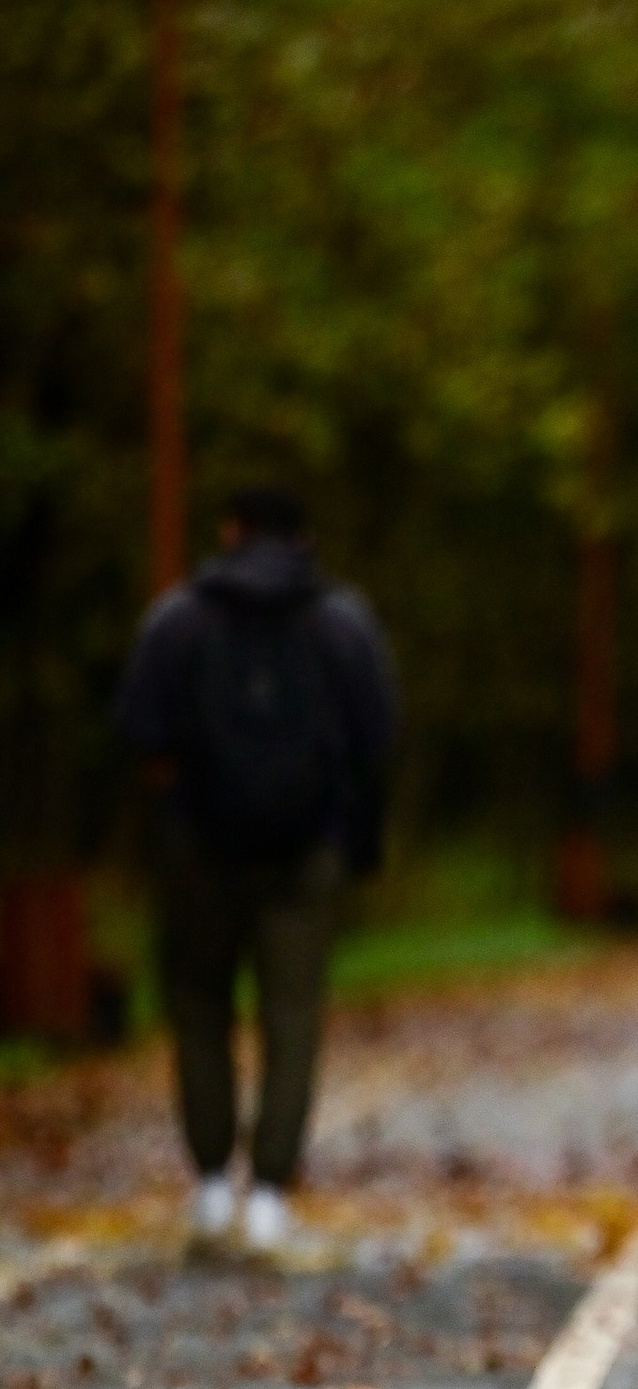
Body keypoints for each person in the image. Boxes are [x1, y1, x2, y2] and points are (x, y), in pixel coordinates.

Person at [115, 488, 398, 1252]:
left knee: (199, 1003)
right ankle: (270, 1190)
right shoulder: (343, 623)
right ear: (304, 538)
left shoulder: (179, 618)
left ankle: (210, 1185)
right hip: (307, 854)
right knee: (293, 1016)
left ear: (229, 530)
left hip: (197, 850)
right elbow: (376, 741)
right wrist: (356, 843)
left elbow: (138, 731)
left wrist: (172, 818)